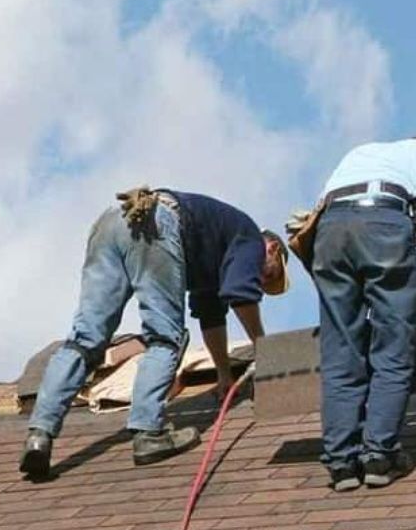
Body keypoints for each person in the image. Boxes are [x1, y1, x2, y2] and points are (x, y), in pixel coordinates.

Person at [19, 187, 288, 476]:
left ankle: (39, 435)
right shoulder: (249, 237)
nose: (260, 279)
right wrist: (266, 350)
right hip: (155, 221)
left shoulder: (216, 251)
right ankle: (148, 434)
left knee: (86, 339)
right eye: (268, 274)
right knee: (164, 337)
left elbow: (210, 316)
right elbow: (241, 295)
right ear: (271, 247)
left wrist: (223, 373)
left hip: (113, 222)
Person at [312, 132, 416, 491]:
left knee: (341, 352)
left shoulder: (361, 152)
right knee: (393, 344)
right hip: (384, 224)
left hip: (329, 230)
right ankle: (379, 456)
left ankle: (341, 463)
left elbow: (321, 215)